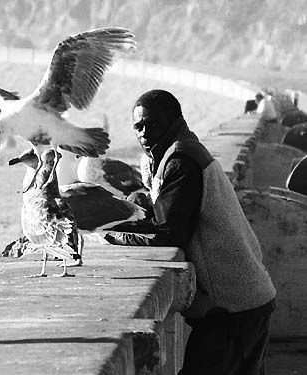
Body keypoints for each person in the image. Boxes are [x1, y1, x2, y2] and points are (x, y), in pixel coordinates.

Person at [105, 89, 276, 375]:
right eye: (138, 127)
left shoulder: (182, 160)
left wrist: (113, 235)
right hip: (245, 302)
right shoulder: (181, 149)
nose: (145, 132)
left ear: (174, 120)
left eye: (153, 123)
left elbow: (170, 235)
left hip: (232, 307)